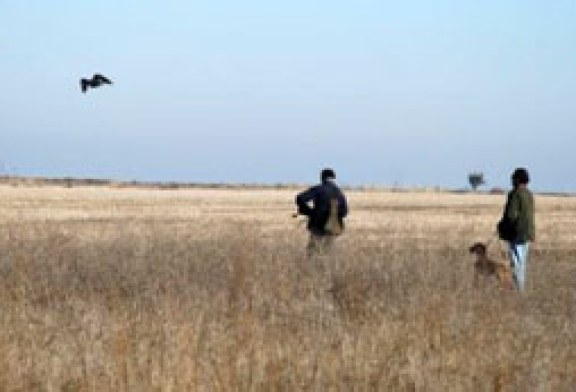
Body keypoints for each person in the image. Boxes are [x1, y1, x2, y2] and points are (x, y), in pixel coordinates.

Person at [497, 168, 535, 291]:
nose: (511, 180)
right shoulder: (529, 193)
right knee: (522, 263)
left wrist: (501, 226)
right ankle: (520, 289)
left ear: (517, 179)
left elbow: (511, 215)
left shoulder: (515, 194)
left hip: (517, 234)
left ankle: (519, 292)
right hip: (528, 233)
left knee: (516, 264)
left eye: (513, 178)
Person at [295, 168, 348, 256]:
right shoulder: (339, 192)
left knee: (313, 250)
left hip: (318, 224)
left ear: (322, 178)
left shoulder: (319, 189)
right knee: (328, 251)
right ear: (334, 178)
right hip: (334, 226)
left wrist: (309, 212)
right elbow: (345, 212)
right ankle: (326, 267)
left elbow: (300, 198)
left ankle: (312, 267)